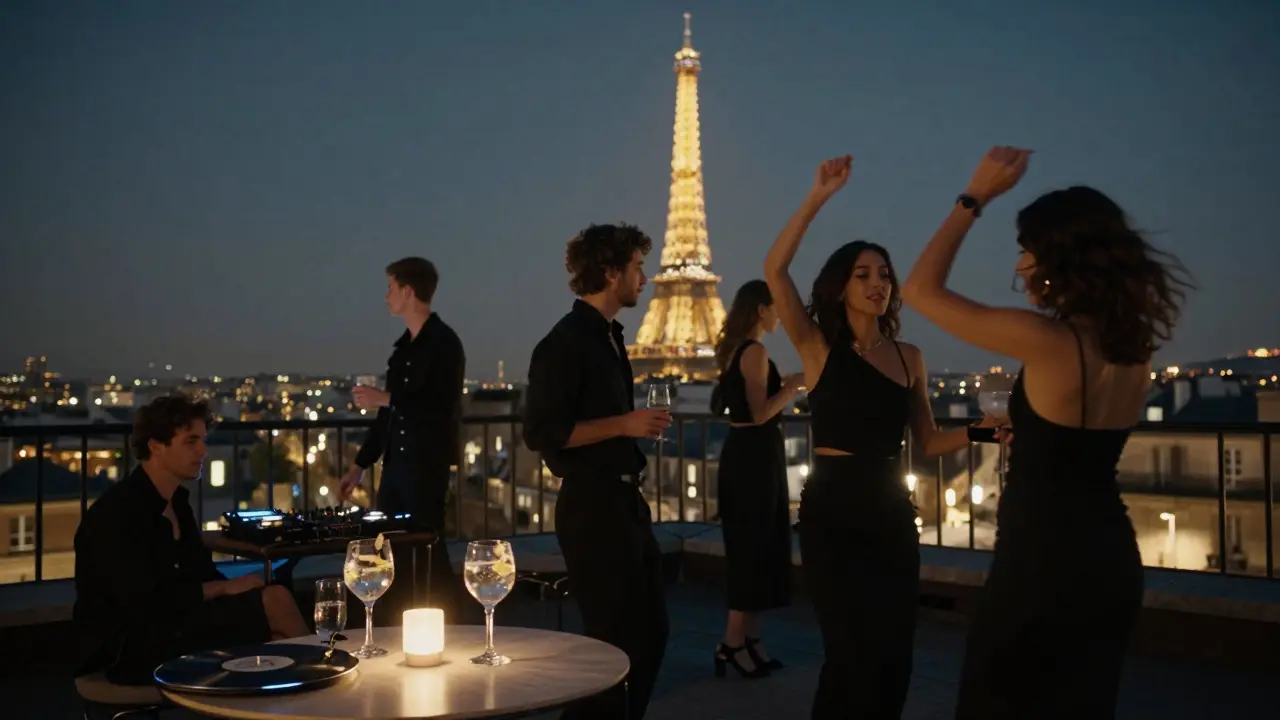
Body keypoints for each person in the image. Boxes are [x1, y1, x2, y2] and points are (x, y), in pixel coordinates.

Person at [901, 147, 1191, 718]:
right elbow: (1073, 441)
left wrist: (973, 198)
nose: (1020, 267)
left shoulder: (1049, 341)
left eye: (1025, 251)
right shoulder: (1132, 347)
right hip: (1109, 558)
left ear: (1058, 257)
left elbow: (919, 291)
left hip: (1042, 563)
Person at [764, 156, 996, 719]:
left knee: (893, 655)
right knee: (848, 654)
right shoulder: (818, 349)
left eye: (885, 274)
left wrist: (984, 430)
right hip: (834, 514)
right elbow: (775, 271)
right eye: (863, 274)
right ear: (842, 285)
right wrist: (817, 197)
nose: (877, 284)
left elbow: (928, 442)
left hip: (890, 510)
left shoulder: (909, 357)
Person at [523, 223, 672, 720]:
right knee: (617, 644)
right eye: (636, 268)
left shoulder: (609, 338)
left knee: (647, 634)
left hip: (623, 502)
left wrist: (625, 429)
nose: (644, 279)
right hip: (593, 506)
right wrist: (624, 424)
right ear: (611, 273)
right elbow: (543, 431)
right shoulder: (564, 343)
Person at [74, 395, 309, 685]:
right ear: (156, 447)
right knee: (276, 604)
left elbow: (199, 574)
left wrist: (238, 587)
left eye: (203, 440)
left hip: (173, 625)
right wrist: (226, 586)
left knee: (275, 632)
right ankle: (324, 694)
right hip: (128, 646)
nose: (203, 450)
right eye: (191, 441)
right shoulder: (118, 513)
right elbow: (142, 601)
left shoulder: (177, 504)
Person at [339, 256, 466, 622]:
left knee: (424, 552)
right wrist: (360, 465)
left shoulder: (444, 345)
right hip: (398, 469)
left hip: (425, 469)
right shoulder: (406, 351)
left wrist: (386, 398)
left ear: (408, 291)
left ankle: (443, 626)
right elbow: (389, 418)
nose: (386, 296)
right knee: (389, 550)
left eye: (391, 288)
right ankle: (399, 626)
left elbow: (440, 407)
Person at [710, 279, 803, 680]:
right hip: (754, 458)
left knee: (754, 545)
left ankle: (750, 640)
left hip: (745, 456)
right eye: (776, 306)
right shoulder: (756, 351)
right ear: (761, 309)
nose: (780, 314)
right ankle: (732, 642)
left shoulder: (735, 350)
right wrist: (794, 386)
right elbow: (760, 412)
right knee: (753, 548)